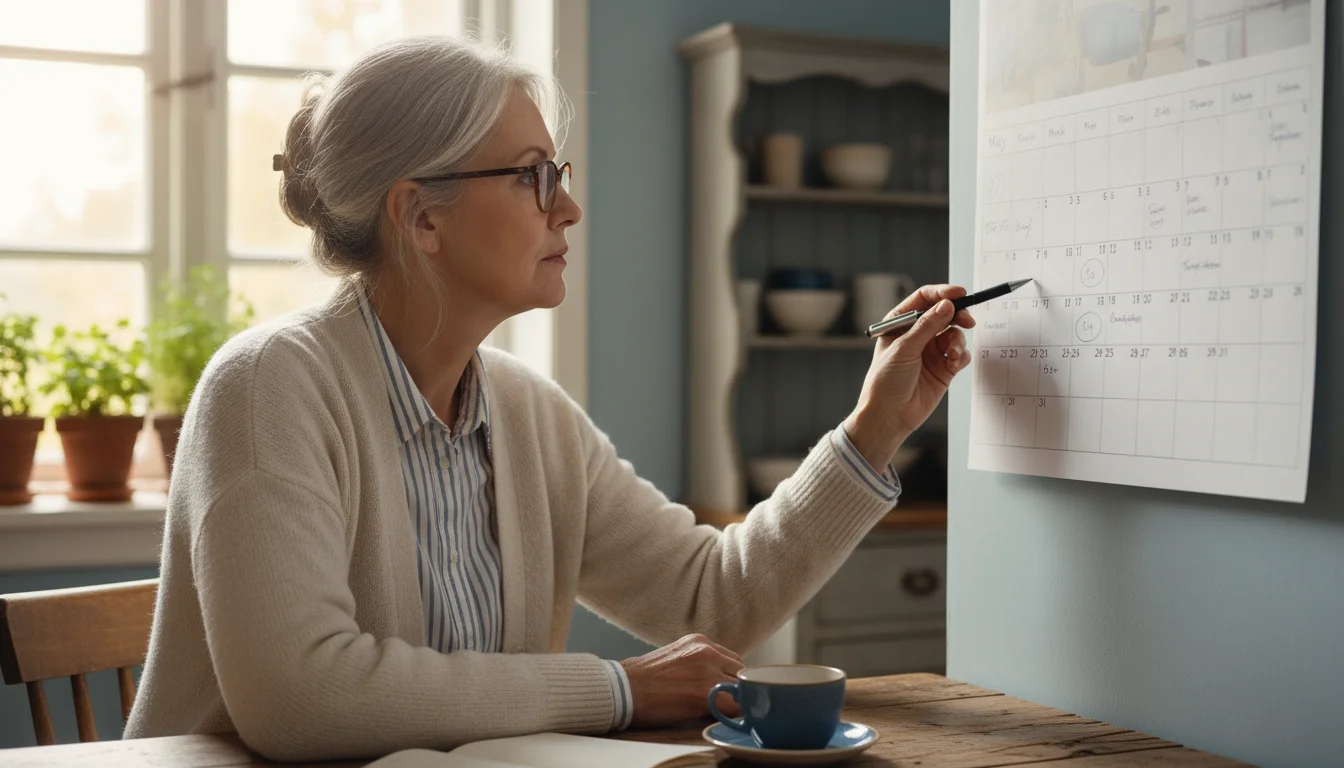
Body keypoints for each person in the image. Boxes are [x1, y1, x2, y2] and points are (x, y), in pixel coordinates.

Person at [125, 35, 974, 761]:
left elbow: (713, 596)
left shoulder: (528, 414)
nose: (567, 207)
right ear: (420, 217)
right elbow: (301, 698)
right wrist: (618, 689)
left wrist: (876, 427)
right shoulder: (269, 386)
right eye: (533, 177)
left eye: (557, 173)